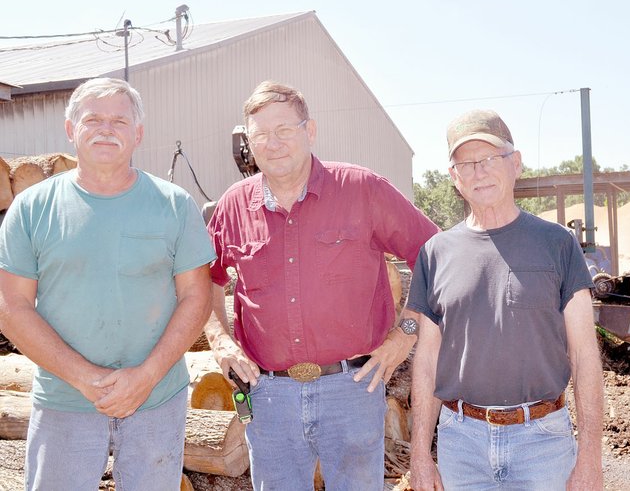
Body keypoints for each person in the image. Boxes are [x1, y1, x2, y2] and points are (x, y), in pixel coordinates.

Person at [204, 80, 439, 490]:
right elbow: (205, 281)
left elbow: (437, 257)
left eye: (284, 130)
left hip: (351, 390)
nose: (273, 143)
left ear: (310, 131)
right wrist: (220, 342)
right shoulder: (233, 205)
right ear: (249, 143)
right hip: (268, 395)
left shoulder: (362, 189)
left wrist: (405, 333)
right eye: (260, 134)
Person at [0, 78, 215, 491]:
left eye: (119, 121)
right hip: (65, 400)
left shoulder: (173, 204)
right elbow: (12, 307)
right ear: (70, 129)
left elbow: (197, 296)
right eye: (93, 119)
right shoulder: (32, 208)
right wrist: (83, 377)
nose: (106, 129)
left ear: (138, 133)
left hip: (156, 400)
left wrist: (147, 376)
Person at [408, 109, 604, 490]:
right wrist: (419, 455)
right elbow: (428, 361)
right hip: (461, 445)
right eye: (465, 164)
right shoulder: (435, 253)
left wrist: (590, 458)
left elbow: (584, 356)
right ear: (454, 178)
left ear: (515, 164)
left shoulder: (558, 245)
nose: (478, 172)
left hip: (543, 443)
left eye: (489, 159)